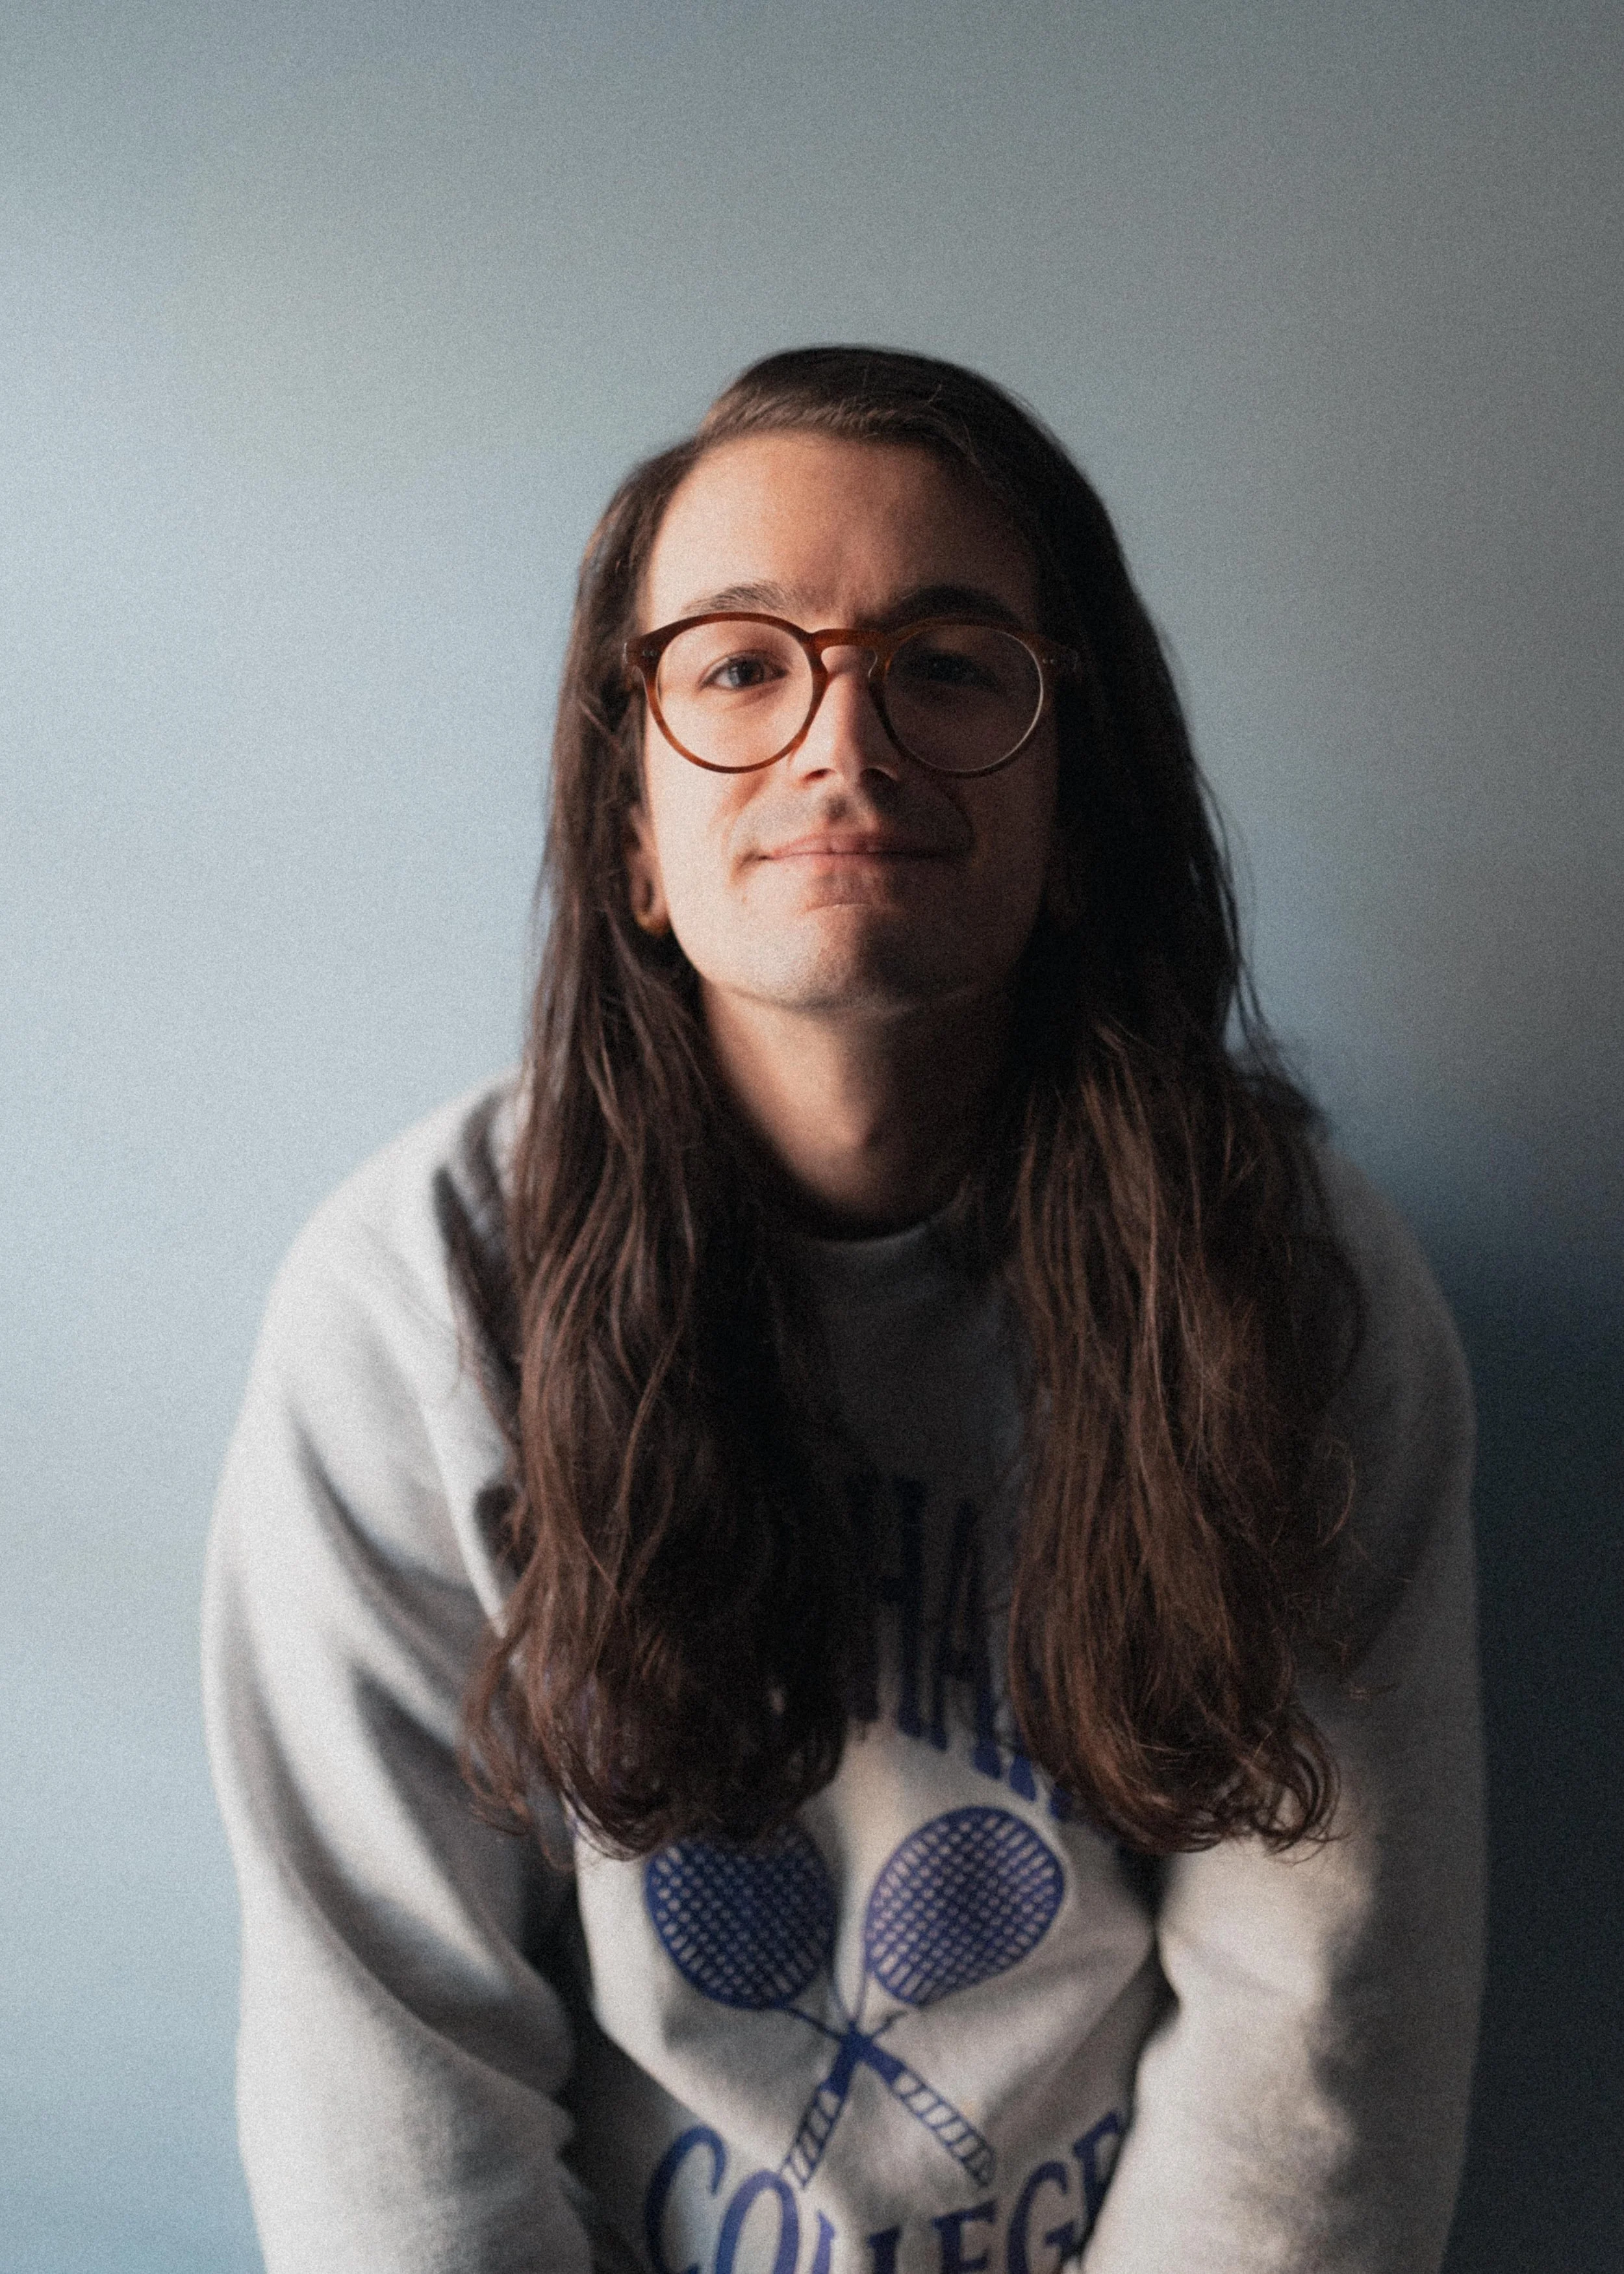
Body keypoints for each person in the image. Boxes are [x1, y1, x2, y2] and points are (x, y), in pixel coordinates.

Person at [203, 347, 1483, 2274]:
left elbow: (1319, 2055)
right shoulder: (415, 1301)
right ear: (629, 828)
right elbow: (385, 2083)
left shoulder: (1286, 1286)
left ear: (1077, 801)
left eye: (948, 666)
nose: (840, 741)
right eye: (736, 665)